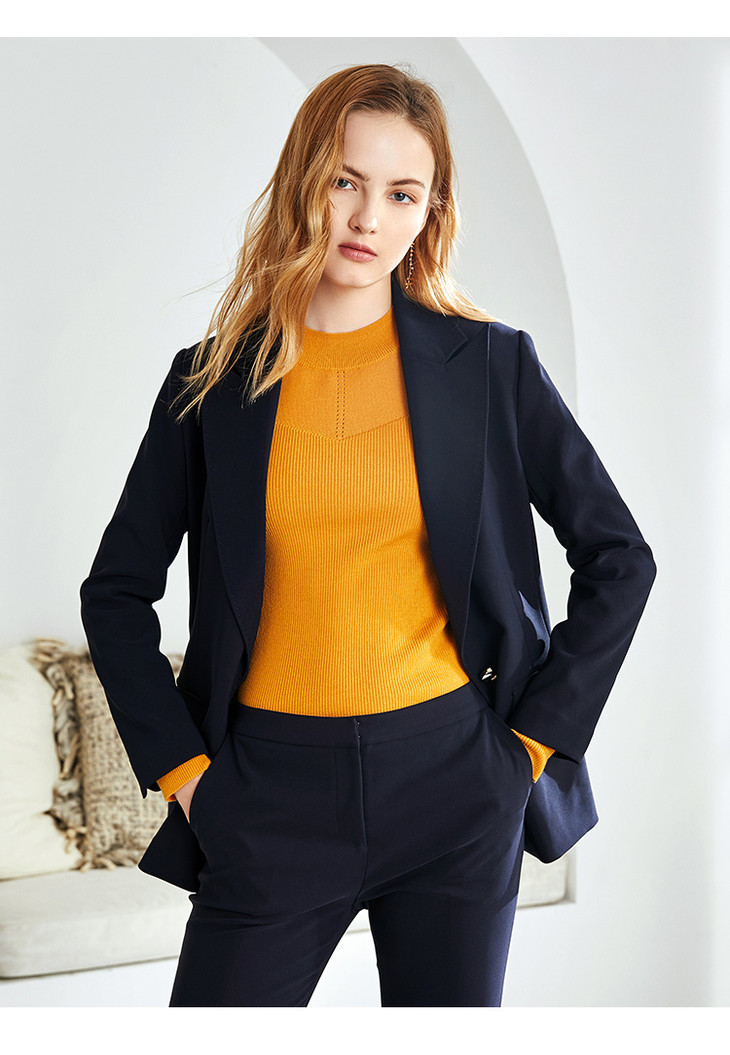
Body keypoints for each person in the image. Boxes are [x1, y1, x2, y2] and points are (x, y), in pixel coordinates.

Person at [80, 63, 656, 1007]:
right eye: (345, 180)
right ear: (304, 179)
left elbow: (620, 557)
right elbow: (115, 593)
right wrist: (187, 775)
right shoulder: (210, 383)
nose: (366, 218)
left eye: (401, 194)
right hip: (266, 796)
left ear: (430, 213)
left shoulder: (491, 366)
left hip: (456, 783)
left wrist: (527, 748)